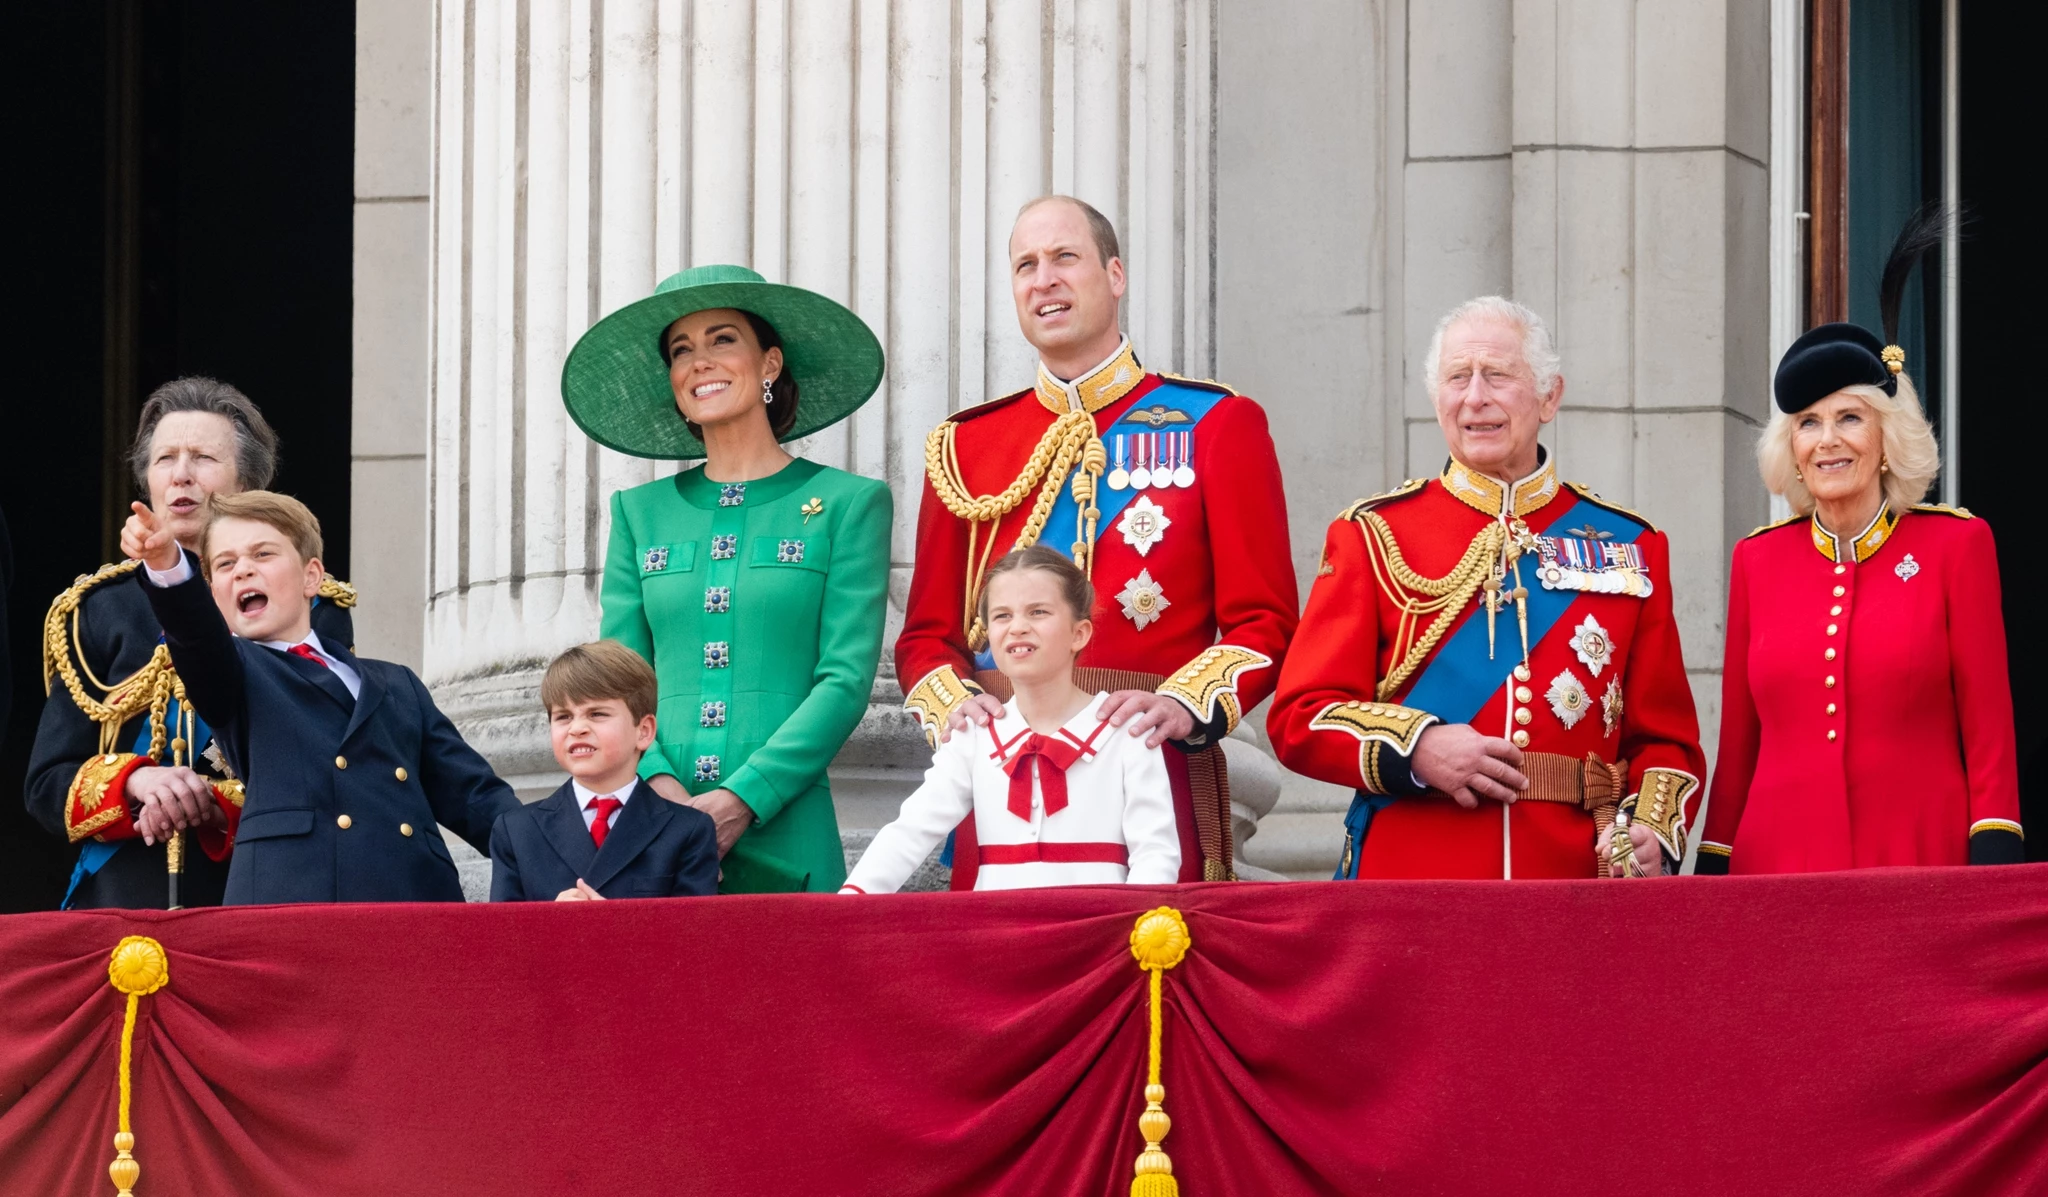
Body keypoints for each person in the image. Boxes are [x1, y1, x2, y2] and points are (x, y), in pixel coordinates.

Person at [896, 196, 1297, 886]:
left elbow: (1264, 620)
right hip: (1002, 778)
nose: (1043, 279)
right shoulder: (965, 448)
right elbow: (927, 635)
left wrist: (1183, 704)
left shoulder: (1217, 424)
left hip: (1148, 766)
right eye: (1026, 265)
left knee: (1148, 984)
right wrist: (958, 708)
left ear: (1114, 276)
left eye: (1064, 258)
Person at [1269, 297, 1706, 879]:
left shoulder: (1631, 544)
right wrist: (1417, 749)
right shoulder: (1373, 533)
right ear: (1436, 397)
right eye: (1457, 378)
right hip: (1412, 880)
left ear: (1550, 396)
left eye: (1498, 376)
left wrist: (1650, 829)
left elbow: (1668, 743)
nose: (1475, 397)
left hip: (1572, 880)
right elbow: (1302, 715)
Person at [1698, 212, 2021, 872]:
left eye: (1850, 416)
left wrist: (1993, 861)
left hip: (1918, 862)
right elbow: (1738, 749)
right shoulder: (1757, 560)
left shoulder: (1955, 546)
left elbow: (1989, 735)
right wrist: (1714, 866)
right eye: (1808, 423)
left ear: (1885, 439)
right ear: (1790, 447)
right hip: (1777, 871)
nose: (1828, 439)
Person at [562, 264, 891, 894]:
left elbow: (845, 680)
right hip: (656, 822)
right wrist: (660, 789)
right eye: (681, 350)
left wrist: (744, 796)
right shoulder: (639, 513)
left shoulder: (850, 503)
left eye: (721, 340)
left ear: (769, 362)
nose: (699, 362)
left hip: (786, 823)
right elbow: (619, 679)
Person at [26, 378, 357, 909]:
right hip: (122, 903)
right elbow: (46, 785)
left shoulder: (309, 604)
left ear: (247, 483)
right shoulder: (97, 609)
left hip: (260, 892)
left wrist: (209, 804)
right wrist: (136, 783)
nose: (181, 474)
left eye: (203, 457)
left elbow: (327, 775)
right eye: (165, 459)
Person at [121, 490, 515, 903]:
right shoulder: (232, 670)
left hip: (414, 903)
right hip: (292, 908)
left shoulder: (398, 684)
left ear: (312, 577)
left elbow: (476, 796)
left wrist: (559, 858)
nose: (242, 571)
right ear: (214, 593)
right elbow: (197, 636)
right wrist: (167, 564)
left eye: (262, 554)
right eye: (225, 563)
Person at [843, 547, 1178, 893]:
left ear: (1079, 634)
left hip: (1098, 933)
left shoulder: (1126, 730)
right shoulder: (973, 734)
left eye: (1038, 612)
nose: (1018, 627)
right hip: (995, 937)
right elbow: (911, 831)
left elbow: (1156, 853)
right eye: (1002, 616)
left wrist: (1133, 932)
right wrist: (849, 901)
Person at [489, 641, 719, 901]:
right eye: (563, 716)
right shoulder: (517, 831)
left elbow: (694, 936)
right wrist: (549, 924)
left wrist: (611, 926)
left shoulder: (687, 830)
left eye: (596, 714)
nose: (577, 728)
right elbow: (503, 937)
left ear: (643, 732)